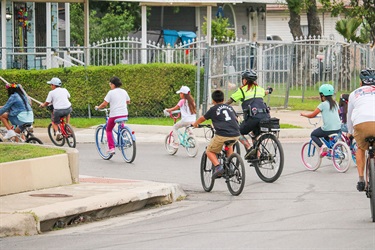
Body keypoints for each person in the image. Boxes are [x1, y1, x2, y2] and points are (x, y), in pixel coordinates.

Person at [192, 90, 240, 179]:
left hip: (222, 135)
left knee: (209, 151)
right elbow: (235, 118)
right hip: (236, 133)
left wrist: (195, 124)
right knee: (229, 146)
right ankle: (230, 166)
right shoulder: (229, 107)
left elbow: (203, 118)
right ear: (223, 99)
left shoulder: (213, 109)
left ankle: (218, 167)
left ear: (213, 100)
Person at [226, 69, 272, 159]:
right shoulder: (259, 89)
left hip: (252, 117)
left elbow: (229, 101)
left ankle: (249, 147)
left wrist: (219, 106)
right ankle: (258, 155)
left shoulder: (242, 90)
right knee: (254, 134)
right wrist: (269, 90)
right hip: (265, 116)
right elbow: (266, 92)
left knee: (237, 132)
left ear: (245, 80)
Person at [347, 68, 375, 192]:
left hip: (361, 122)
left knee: (360, 148)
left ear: (361, 82)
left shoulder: (354, 93)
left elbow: (349, 115)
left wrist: (349, 131)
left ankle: (361, 180)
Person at [300, 84, 341, 157]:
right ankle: (331, 150)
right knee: (325, 136)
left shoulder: (322, 105)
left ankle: (322, 146)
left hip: (328, 129)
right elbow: (338, 113)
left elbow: (312, 115)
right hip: (338, 128)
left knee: (313, 134)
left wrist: (304, 115)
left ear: (322, 95)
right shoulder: (335, 103)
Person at [95, 76, 130, 155]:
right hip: (124, 113)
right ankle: (123, 134)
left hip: (115, 114)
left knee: (108, 129)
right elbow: (128, 101)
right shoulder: (124, 91)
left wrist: (98, 107)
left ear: (113, 85)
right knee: (121, 123)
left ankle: (111, 148)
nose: (110, 85)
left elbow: (104, 104)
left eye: (110, 84)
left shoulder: (111, 92)